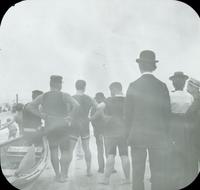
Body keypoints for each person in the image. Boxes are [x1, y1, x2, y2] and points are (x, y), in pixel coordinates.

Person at [124, 50, 171, 190]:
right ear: (153, 66)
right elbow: (167, 114)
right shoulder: (162, 86)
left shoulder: (133, 85)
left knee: (137, 173)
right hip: (158, 136)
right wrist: (166, 135)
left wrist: (128, 135)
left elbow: (127, 115)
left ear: (140, 66)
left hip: (137, 136)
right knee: (157, 172)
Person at [27, 75, 79, 182]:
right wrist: (70, 116)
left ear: (51, 84)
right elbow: (77, 105)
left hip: (50, 126)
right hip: (63, 125)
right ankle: (64, 175)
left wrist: (42, 116)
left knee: (54, 150)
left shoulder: (43, 96)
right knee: (65, 150)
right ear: (59, 84)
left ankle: (57, 175)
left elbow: (29, 107)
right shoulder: (64, 95)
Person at [99, 82, 131, 185]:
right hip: (124, 131)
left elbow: (99, 107)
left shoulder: (108, 100)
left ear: (114, 89)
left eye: (110, 90)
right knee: (124, 155)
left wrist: (104, 117)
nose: (110, 92)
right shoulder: (127, 101)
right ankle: (127, 179)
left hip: (111, 131)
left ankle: (106, 179)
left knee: (111, 155)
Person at [65, 80, 98, 177]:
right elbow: (99, 108)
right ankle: (88, 170)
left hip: (74, 124)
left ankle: (66, 172)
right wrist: (91, 118)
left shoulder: (71, 98)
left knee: (70, 149)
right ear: (84, 87)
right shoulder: (89, 98)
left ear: (76, 87)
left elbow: (67, 112)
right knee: (87, 148)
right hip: (85, 123)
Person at [169, 72, 195, 189]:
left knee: (173, 152)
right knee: (185, 151)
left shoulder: (169, 95)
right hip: (186, 125)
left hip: (173, 125)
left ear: (173, 82)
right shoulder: (190, 96)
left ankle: (175, 181)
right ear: (184, 83)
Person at [90, 92, 107, 173]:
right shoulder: (106, 106)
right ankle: (110, 168)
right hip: (106, 131)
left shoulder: (94, 108)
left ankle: (101, 168)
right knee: (108, 149)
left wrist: (98, 131)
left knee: (100, 150)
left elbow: (92, 120)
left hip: (98, 131)